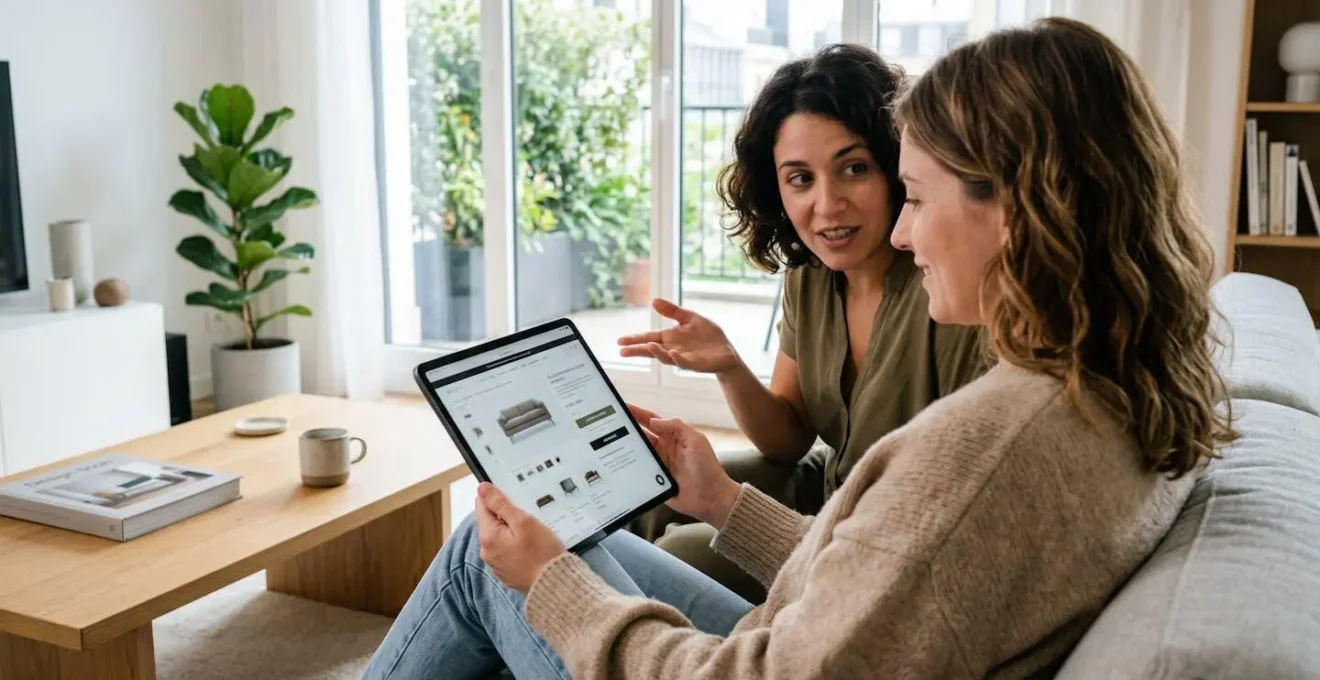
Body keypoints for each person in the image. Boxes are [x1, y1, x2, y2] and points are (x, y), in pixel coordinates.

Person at [364, 17, 1237, 680]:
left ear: (1013, 208)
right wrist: (717, 499)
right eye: (801, 179)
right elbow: (901, 577)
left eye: (915, 196)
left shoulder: (985, 438)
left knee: (492, 565)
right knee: (549, 541)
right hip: (792, 629)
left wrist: (552, 587)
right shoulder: (1114, 382)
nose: (899, 232)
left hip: (754, 658)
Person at [619, 44, 985, 602]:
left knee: (678, 556)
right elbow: (788, 439)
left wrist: (722, 501)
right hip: (830, 487)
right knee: (645, 498)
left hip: (880, 531)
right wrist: (730, 368)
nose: (828, 204)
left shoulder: (946, 286)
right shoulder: (809, 279)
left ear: (895, 169)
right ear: (777, 189)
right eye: (800, 179)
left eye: (854, 169)